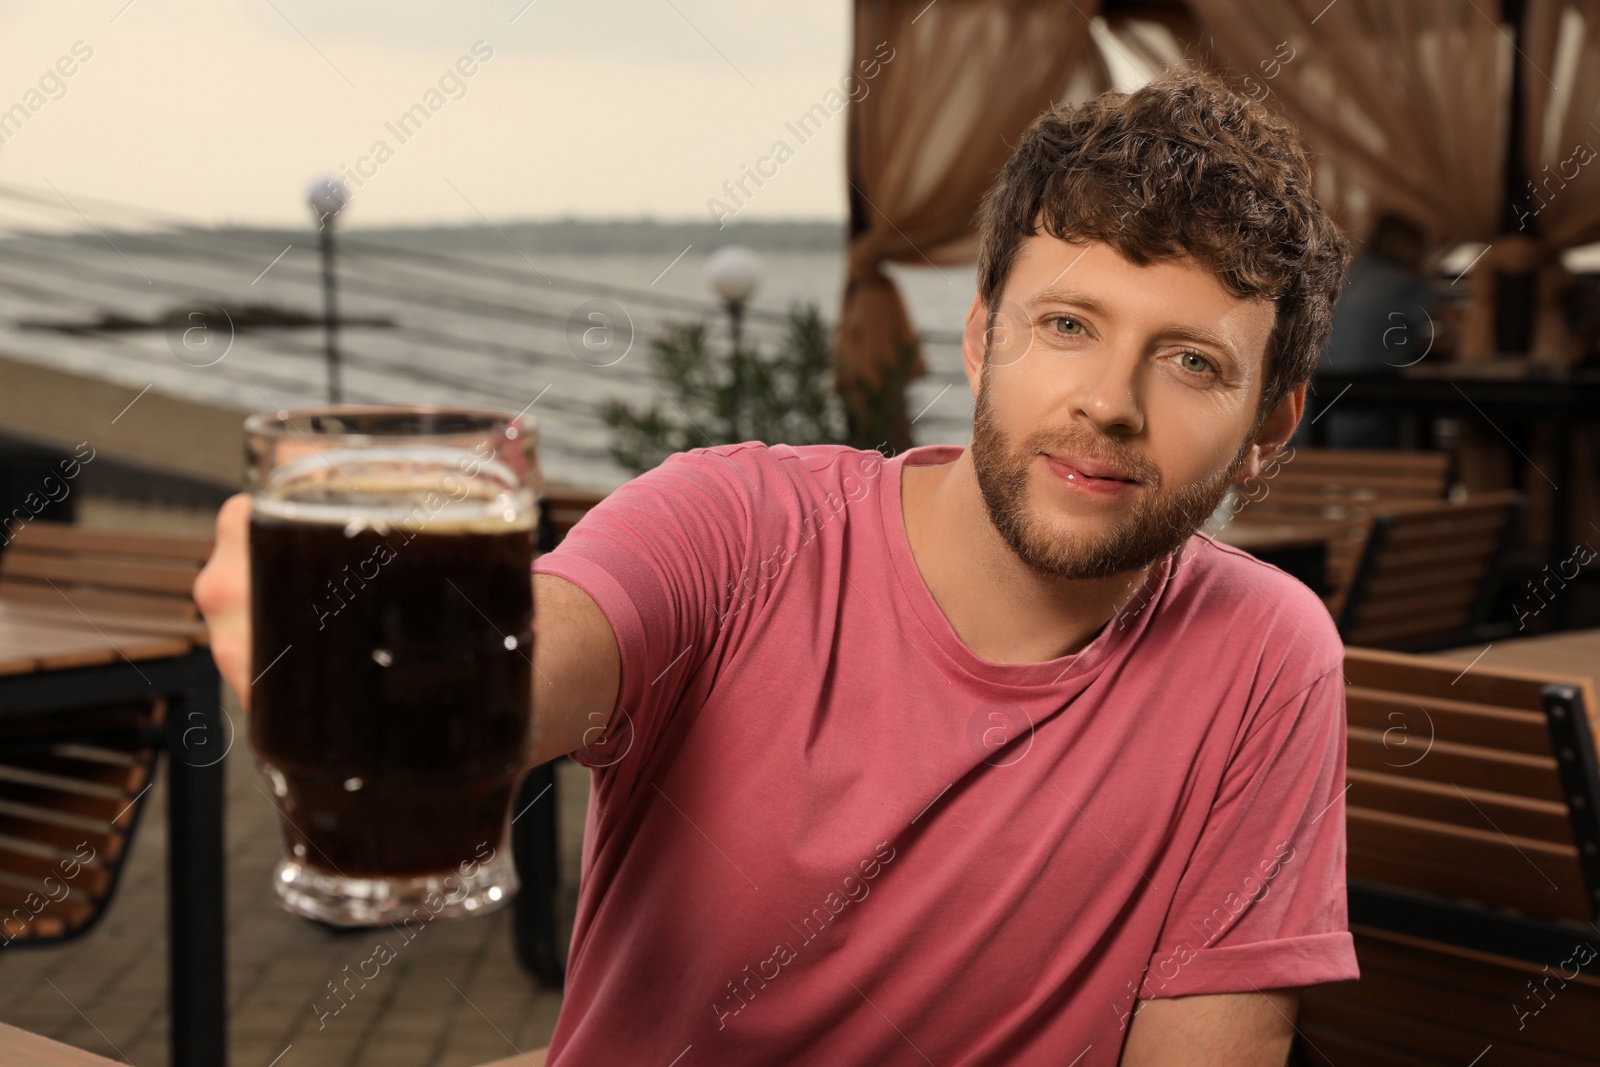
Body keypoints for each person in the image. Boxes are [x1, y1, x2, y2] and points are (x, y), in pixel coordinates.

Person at [195, 68, 1358, 1066]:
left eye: (1193, 362)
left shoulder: (1264, 653)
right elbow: (533, 658)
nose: (1106, 401)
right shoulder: (734, 523)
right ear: (978, 333)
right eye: (1067, 325)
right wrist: (388, 673)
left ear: (1273, 423)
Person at [1298, 210, 1440, 448]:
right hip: (1363, 425)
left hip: (1310, 425)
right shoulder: (1408, 283)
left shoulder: (1345, 277)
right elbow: (1443, 336)